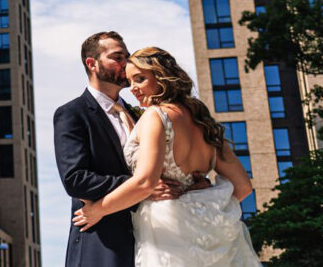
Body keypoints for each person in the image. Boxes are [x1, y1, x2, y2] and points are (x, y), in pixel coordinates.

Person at [72, 46, 262, 266]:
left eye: (140, 79)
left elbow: (145, 182)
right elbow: (243, 187)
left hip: (167, 232)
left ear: (161, 76)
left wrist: (97, 210)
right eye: (130, 81)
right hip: (211, 233)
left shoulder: (156, 116)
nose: (133, 88)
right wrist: (201, 197)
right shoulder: (203, 120)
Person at [54, 32, 191, 267]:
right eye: (117, 57)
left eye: (127, 57)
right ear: (92, 64)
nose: (125, 63)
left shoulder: (143, 114)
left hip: (154, 240)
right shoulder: (72, 113)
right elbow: (75, 180)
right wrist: (142, 187)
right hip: (102, 245)